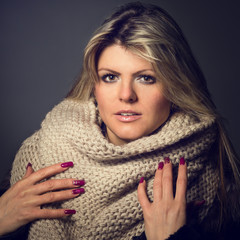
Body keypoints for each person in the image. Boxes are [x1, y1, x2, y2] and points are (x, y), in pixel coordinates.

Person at [0, 2, 239, 239]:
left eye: (146, 78)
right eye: (110, 77)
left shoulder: (216, 182)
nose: (126, 95)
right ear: (95, 85)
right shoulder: (39, 157)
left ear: (176, 86)